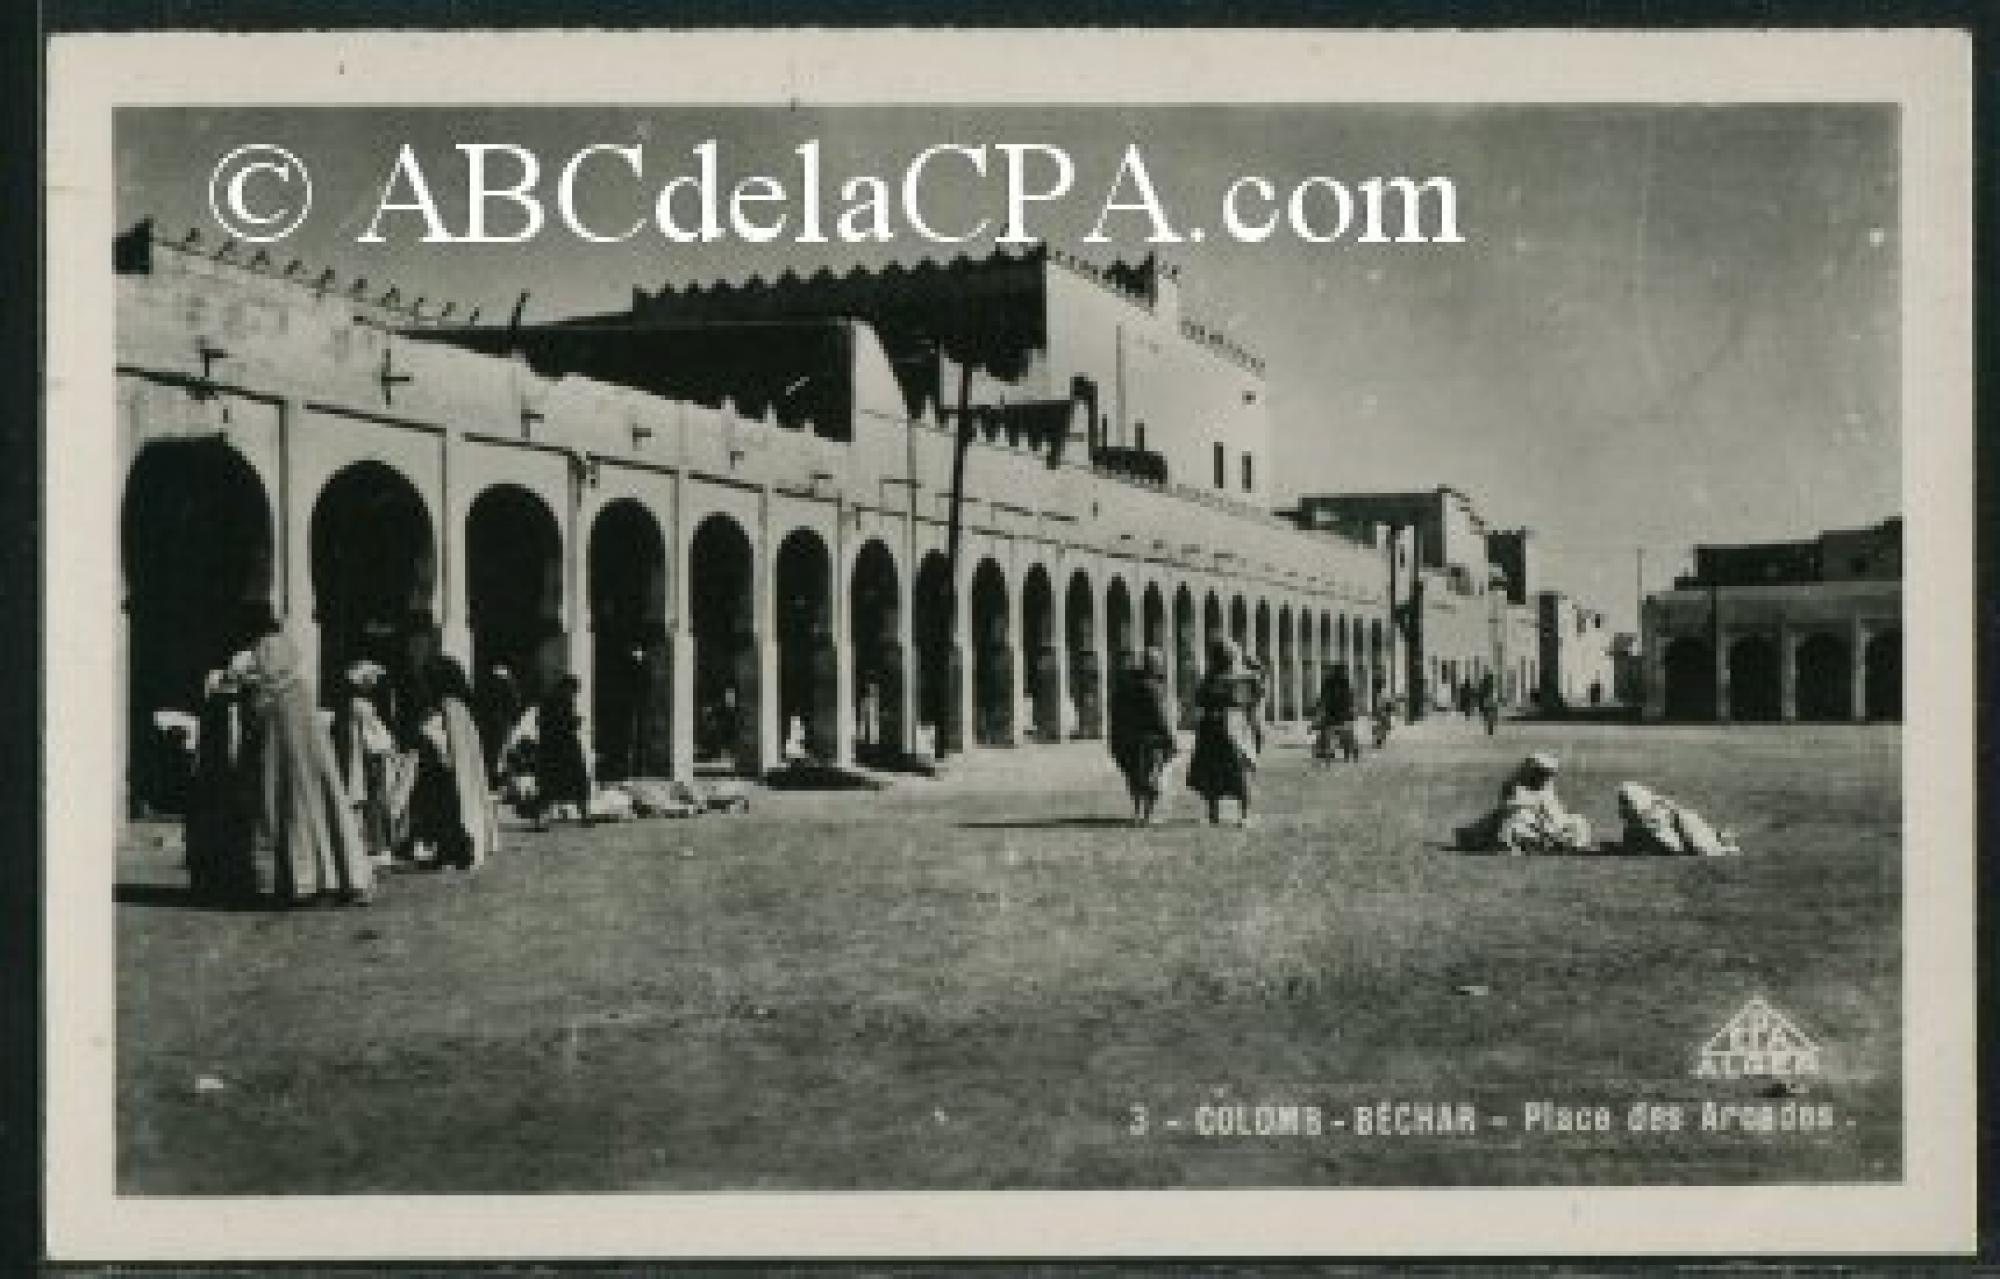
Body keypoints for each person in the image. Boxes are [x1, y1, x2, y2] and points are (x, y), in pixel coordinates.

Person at [238, 629, 375, 905]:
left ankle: (297, 881)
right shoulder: (297, 690)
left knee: (287, 818)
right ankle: (325, 878)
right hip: (309, 774)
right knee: (315, 820)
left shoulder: (270, 697)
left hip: (279, 775)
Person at [406, 655, 499, 870]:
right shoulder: (456, 707)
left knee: (446, 812)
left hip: (444, 770)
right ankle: (447, 850)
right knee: (441, 812)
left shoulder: (449, 707)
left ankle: (453, 852)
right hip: (444, 769)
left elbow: (444, 742)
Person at [184, 666, 258, 903]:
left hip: (238, 781)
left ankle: (238, 882)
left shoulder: (247, 713)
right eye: (226, 692)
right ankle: (210, 884)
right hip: (214, 782)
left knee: (239, 832)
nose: (231, 696)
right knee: (213, 832)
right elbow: (202, 752)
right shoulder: (211, 714)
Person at [1185, 638, 1266, 827]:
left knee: (1213, 771)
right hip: (1235, 726)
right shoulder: (1246, 678)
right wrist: (1257, 730)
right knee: (1242, 771)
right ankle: (1245, 815)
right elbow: (1253, 706)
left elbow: (1199, 703)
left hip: (1211, 727)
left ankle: (1214, 813)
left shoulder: (1209, 679)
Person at [1454, 751, 1593, 854]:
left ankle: (1570, 846)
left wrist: (1556, 828)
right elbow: (1512, 811)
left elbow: (1556, 814)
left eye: (1548, 774)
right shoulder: (1515, 786)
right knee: (1517, 821)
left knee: (1579, 820)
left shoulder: (1547, 788)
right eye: (1541, 772)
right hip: (1523, 827)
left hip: (1548, 830)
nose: (1544, 777)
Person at [331, 660, 398, 866]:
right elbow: (373, 736)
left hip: (367, 754)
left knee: (372, 800)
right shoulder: (361, 706)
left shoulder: (356, 705)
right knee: (374, 800)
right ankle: (377, 844)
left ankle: (376, 844)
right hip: (369, 754)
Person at [1108, 647, 1178, 824]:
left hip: (1126, 739)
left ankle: (1138, 811)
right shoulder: (1152, 687)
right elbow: (1159, 716)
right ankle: (1148, 815)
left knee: (1134, 777)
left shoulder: (1124, 685)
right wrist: (1170, 738)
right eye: (1159, 663)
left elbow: (1114, 711)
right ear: (1155, 666)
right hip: (1149, 740)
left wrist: (1115, 738)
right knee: (1152, 776)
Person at [1615, 782, 1742, 856]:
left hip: (1691, 837)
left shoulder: (1685, 820)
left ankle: (1723, 840)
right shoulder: (1634, 830)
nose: (1622, 811)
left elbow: (1705, 850)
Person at [533, 673, 592, 827]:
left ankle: (542, 820)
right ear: (569, 688)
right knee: (579, 781)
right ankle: (585, 815)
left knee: (548, 784)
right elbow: (565, 723)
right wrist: (576, 722)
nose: (574, 695)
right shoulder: (565, 701)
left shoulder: (546, 700)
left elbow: (540, 722)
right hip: (566, 746)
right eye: (575, 691)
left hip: (549, 748)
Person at [474, 661, 522, 785]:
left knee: (497, 750)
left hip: (499, 722)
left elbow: (514, 705)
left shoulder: (500, 690)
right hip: (496, 722)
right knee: (494, 750)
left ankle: (494, 777)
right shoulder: (502, 690)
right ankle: (493, 776)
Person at [1313, 664, 1361, 764]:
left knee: (1336, 733)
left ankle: (1328, 751)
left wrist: (1320, 706)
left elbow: (1323, 697)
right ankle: (1343, 752)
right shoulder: (1342, 683)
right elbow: (1349, 698)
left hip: (1335, 712)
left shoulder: (1335, 682)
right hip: (1337, 712)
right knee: (1341, 733)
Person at [1477, 670, 1500, 736]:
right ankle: (1490, 730)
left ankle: (1489, 730)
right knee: (1489, 716)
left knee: (1489, 716)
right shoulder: (1490, 686)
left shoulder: (1484, 685)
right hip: (1489, 703)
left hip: (1488, 703)